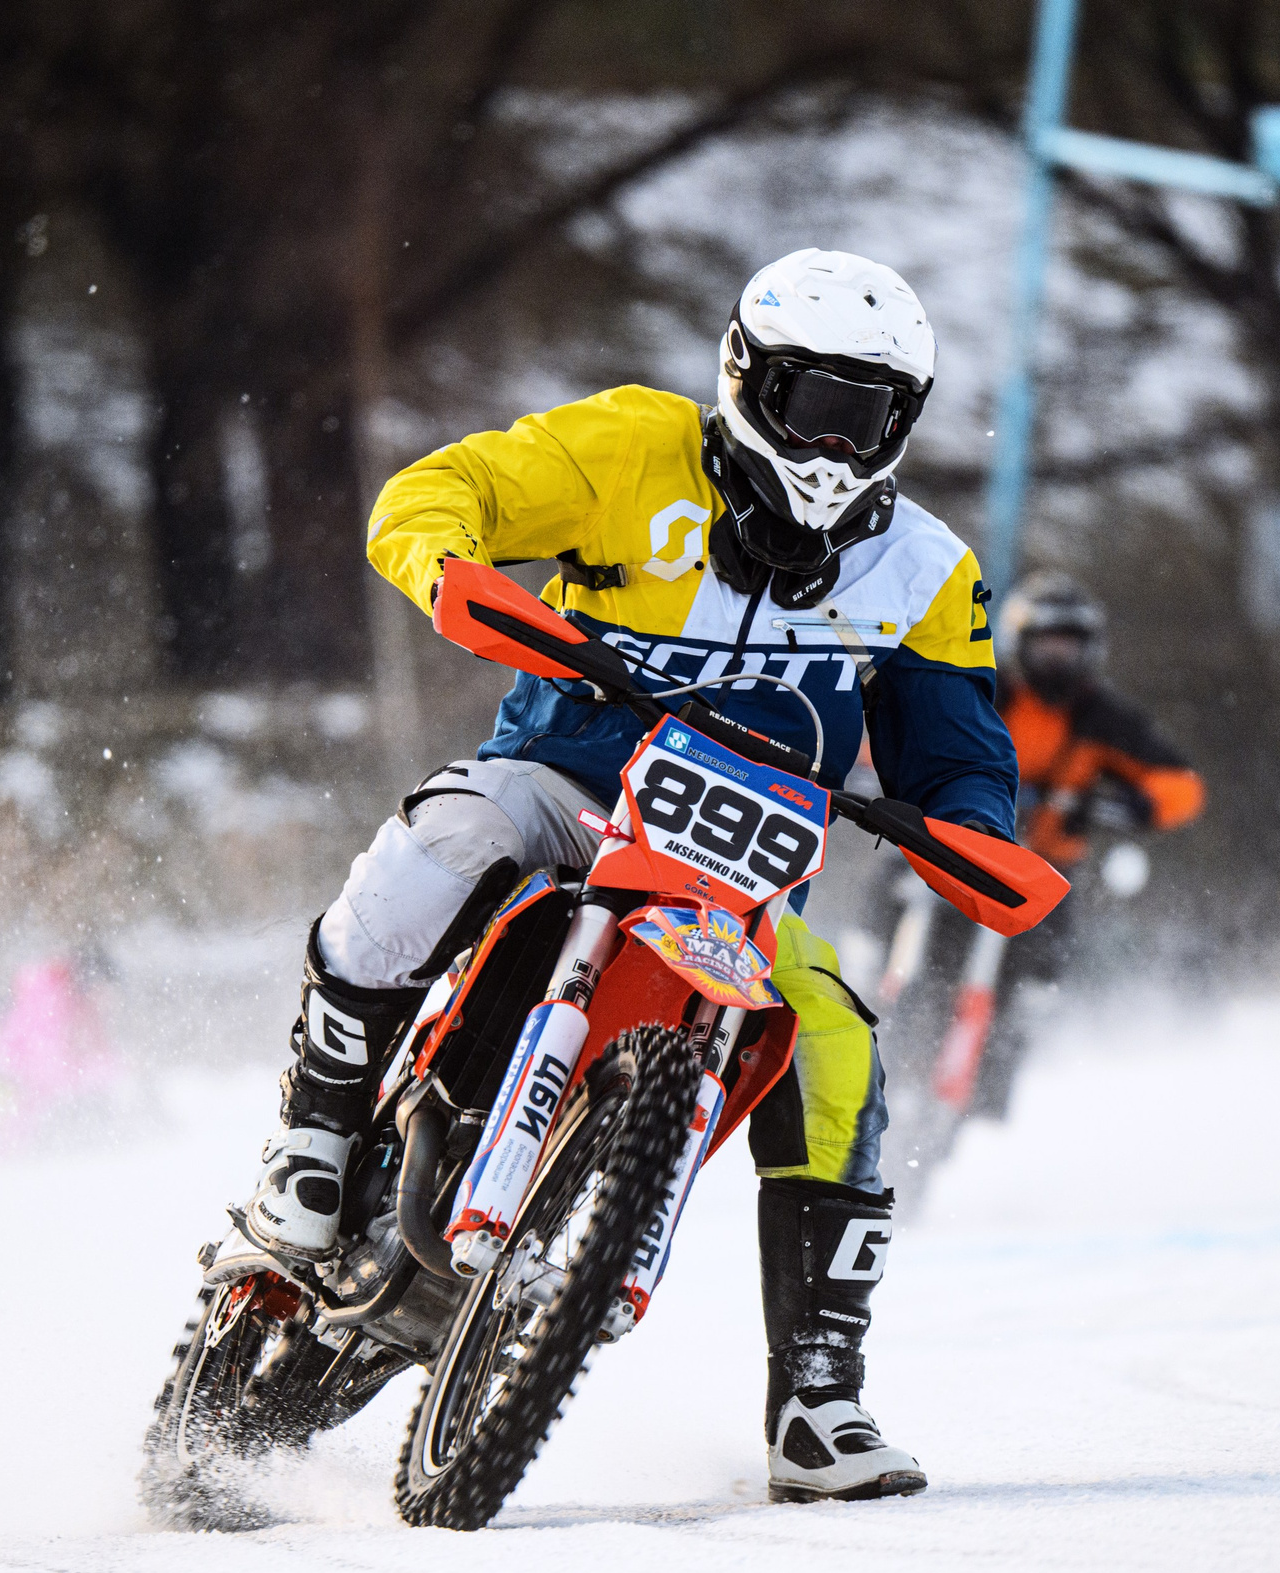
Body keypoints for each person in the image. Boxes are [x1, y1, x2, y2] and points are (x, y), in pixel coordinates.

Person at [234, 249, 1021, 1502]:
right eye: (809, 401)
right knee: (451, 835)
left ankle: (818, 1400)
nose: (830, 440)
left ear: (901, 424)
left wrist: (977, 828)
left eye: (862, 414)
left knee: (839, 1037)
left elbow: (961, 753)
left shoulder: (926, 572)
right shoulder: (623, 449)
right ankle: (316, 1136)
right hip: (566, 796)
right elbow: (442, 491)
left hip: (742, 884)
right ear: (743, 379)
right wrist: (450, 565)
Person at [879, 573, 1202, 1129]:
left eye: (1069, 646)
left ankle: (988, 1090)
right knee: (894, 880)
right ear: (1016, 644)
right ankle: (871, 983)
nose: (1058, 659)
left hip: (1041, 873)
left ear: (1090, 651)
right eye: (1046, 644)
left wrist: (1130, 806)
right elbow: (909, 725)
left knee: (1032, 994)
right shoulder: (985, 692)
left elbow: (1181, 785)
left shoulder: (1104, 717)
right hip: (960, 850)